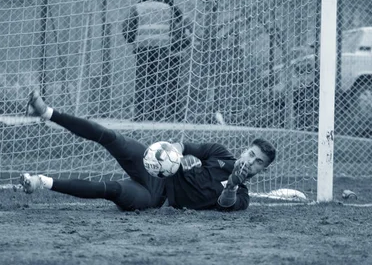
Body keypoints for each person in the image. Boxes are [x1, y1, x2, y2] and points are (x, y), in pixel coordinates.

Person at [18, 91, 276, 212]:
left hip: (154, 196)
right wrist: (176, 155)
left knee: (113, 189)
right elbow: (185, 145)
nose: (250, 162)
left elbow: (224, 205)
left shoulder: (241, 197)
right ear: (244, 151)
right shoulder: (220, 154)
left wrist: (231, 185)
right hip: (155, 166)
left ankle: (42, 182)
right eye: (251, 155)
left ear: (262, 170)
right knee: (110, 137)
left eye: (258, 162)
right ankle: (47, 113)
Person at [122, 0, 191, 122]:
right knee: (160, 80)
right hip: (162, 48)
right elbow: (174, 28)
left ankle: (139, 114)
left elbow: (127, 27)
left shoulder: (137, 8)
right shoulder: (166, 8)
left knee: (142, 80)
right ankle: (157, 114)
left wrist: (131, 39)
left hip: (142, 48)